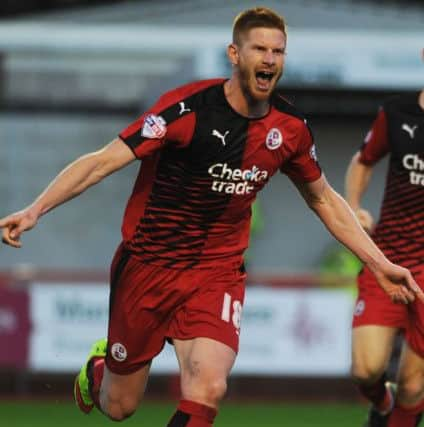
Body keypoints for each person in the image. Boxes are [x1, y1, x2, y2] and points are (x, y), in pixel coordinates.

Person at [1, 8, 422, 427]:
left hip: (216, 274)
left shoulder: (290, 129)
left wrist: (380, 263)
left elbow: (325, 200)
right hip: (149, 268)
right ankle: (98, 372)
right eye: (260, 48)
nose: (270, 59)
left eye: (279, 51)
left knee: (208, 389)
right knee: (119, 406)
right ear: (234, 54)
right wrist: (36, 209)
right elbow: (103, 161)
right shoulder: (187, 110)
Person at [346, 51, 424, 427]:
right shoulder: (396, 112)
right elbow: (363, 161)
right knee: (365, 369)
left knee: (414, 385)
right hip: (388, 262)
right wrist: (354, 207)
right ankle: (381, 402)